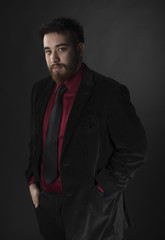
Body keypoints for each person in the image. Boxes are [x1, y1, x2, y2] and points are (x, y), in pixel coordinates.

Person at [25, 17, 147, 240]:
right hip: (48, 208)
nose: (54, 58)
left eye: (61, 49)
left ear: (79, 49)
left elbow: (135, 149)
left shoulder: (109, 93)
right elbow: (37, 140)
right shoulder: (40, 90)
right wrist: (33, 180)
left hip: (94, 212)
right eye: (47, 51)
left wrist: (102, 190)